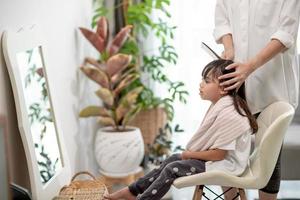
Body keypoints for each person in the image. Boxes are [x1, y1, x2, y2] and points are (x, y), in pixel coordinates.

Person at [103, 59, 258, 200]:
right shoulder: (223, 106)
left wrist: (189, 154)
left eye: (207, 81)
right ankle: (131, 192)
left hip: (227, 166)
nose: (201, 84)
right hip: (220, 162)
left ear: (224, 89)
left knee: (172, 168)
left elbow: (219, 154)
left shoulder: (229, 114)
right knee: (173, 158)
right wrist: (185, 155)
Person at [214, 0, 300, 199]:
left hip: (272, 83)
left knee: (268, 155)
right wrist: (229, 50)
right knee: (222, 150)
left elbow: (286, 33)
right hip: (235, 81)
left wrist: (250, 66)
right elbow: (223, 21)